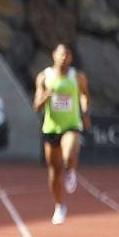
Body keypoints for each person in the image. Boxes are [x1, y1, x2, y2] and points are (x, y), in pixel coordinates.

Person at [33, 43, 90, 225]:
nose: (64, 57)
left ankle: (71, 170)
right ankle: (59, 206)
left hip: (71, 124)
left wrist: (85, 112)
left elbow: (84, 95)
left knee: (69, 150)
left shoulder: (78, 77)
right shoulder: (44, 77)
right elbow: (36, 106)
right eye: (61, 54)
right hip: (51, 128)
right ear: (54, 56)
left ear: (71, 58)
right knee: (53, 172)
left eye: (67, 54)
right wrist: (45, 97)